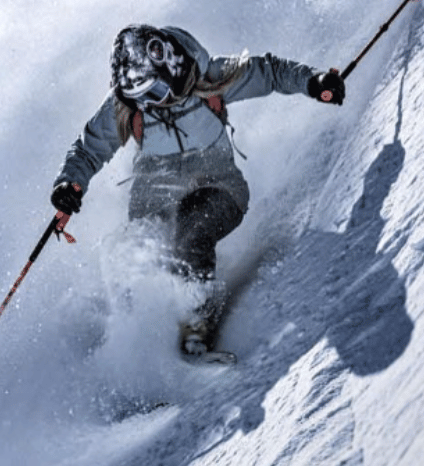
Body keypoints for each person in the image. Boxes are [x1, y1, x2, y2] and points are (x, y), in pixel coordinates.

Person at [50, 24, 345, 358]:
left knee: (192, 228)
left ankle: (196, 324)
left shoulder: (209, 79)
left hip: (217, 186)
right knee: (132, 251)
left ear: (171, 67)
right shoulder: (125, 105)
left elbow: (270, 72)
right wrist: (68, 184)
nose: (151, 104)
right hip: (155, 196)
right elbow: (89, 149)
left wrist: (313, 81)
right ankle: (133, 344)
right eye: (140, 98)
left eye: (155, 91)